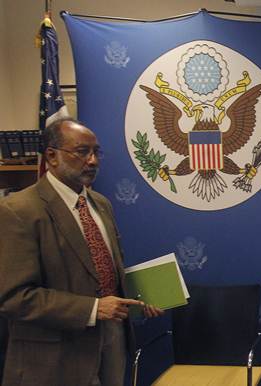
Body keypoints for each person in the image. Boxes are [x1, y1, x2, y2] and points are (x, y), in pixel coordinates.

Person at [0, 118, 163, 386]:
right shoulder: (18, 211)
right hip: (55, 357)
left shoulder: (101, 204)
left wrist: (139, 297)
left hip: (113, 342)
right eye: (81, 152)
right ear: (51, 156)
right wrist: (94, 308)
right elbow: (14, 297)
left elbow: (106, 273)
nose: (93, 161)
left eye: (96, 152)